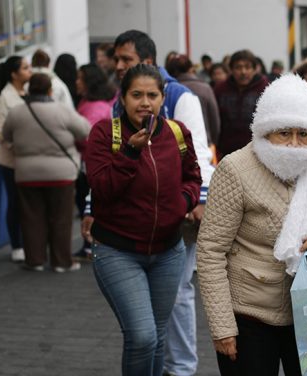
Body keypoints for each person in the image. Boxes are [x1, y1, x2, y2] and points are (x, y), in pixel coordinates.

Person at [197, 73, 307, 376]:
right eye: (284, 133)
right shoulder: (235, 169)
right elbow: (211, 251)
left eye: (304, 133)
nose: (295, 144)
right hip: (250, 317)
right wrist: (222, 327)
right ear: (265, 131)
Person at [89, 29, 213, 376]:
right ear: (124, 99)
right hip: (118, 251)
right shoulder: (105, 134)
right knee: (142, 335)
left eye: (152, 95)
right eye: (137, 95)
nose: (145, 102)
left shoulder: (176, 132)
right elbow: (102, 188)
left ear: (162, 98)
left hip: (167, 251)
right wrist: (130, 152)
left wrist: (185, 201)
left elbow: (193, 173)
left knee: (158, 336)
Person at [3, 73, 90, 272]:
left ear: (28, 89)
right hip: (61, 175)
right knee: (61, 218)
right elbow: (85, 129)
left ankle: (35, 260)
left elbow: (6, 135)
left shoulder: (17, 112)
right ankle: (61, 262)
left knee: (32, 218)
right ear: (50, 90)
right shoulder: (62, 110)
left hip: (26, 175)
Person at [73, 63, 118, 260]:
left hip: (89, 165)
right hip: (87, 163)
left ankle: (91, 245)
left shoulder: (93, 108)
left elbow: (88, 138)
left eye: (80, 78)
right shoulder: (94, 102)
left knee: (88, 202)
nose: (76, 82)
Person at [0, 55, 32, 263]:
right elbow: (0, 132)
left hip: (28, 159)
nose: (30, 71)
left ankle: (27, 242)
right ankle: (16, 245)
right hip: (11, 160)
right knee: (15, 202)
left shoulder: (27, 92)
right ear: (14, 74)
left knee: (27, 203)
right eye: (26, 68)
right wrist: (18, 147)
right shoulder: (5, 97)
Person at [214, 50, 268, 158]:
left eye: (247, 67)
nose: (243, 72)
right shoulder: (220, 89)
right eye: (238, 67)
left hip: (257, 152)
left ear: (254, 69)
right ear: (231, 70)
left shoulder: (265, 88)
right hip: (226, 152)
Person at [166, 54, 221, 146]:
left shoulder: (166, 90)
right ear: (191, 69)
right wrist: (212, 142)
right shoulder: (205, 88)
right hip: (203, 143)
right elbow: (214, 120)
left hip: (174, 146)